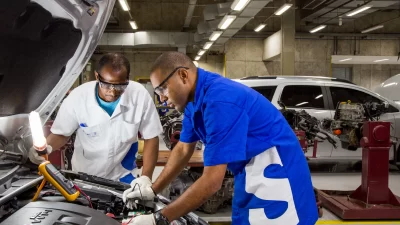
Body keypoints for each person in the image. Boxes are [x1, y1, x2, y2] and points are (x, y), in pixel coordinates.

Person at [124, 52, 318, 225]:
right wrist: (152, 189)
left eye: (163, 89)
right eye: (157, 92)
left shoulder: (220, 101)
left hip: (277, 171)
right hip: (249, 169)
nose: (162, 99)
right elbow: (183, 149)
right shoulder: (193, 101)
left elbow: (212, 181)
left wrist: (160, 219)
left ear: (183, 75)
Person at [29, 53, 162, 192]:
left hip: (124, 175)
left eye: (120, 87)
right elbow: (62, 133)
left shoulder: (139, 95)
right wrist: (46, 147)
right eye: (107, 85)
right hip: (85, 177)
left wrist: (146, 177)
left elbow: (151, 137)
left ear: (127, 79)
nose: (113, 92)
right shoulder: (77, 98)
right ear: (97, 76)